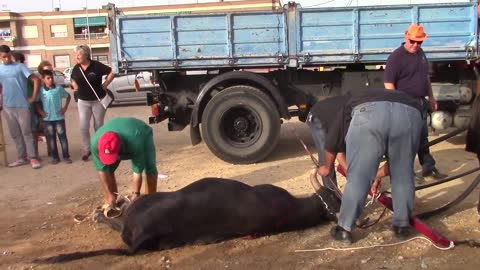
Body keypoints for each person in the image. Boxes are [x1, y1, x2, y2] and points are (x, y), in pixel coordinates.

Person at [317, 88, 423, 243]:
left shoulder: (350, 104)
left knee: (359, 175)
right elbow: (406, 157)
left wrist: (326, 166)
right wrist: (379, 174)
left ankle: (344, 229)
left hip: (369, 112)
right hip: (411, 113)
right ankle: (402, 226)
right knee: (403, 173)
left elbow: (333, 141)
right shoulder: (409, 100)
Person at [384, 24, 446, 181]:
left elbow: (426, 78)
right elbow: (389, 84)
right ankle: (406, 173)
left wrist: (431, 97)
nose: (415, 45)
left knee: (422, 136)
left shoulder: (420, 54)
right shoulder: (396, 57)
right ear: (406, 37)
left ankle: (428, 168)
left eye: (419, 42)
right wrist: (398, 105)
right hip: (404, 104)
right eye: (413, 41)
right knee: (407, 140)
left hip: (420, 102)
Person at [91, 117, 158, 217]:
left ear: (120, 147)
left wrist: (136, 194)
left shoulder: (135, 142)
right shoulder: (95, 143)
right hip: (122, 140)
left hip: (141, 133)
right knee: (108, 169)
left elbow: (137, 172)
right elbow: (102, 171)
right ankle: (112, 201)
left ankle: (151, 202)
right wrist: (109, 195)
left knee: (150, 166)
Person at [0, 45, 42, 169]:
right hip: (8, 106)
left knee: (27, 132)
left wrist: (33, 97)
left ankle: (33, 157)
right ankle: (21, 157)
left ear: (10, 54)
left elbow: (36, 80)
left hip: (22, 105)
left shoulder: (20, 67)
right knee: (15, 133)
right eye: (4, 57)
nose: (6, 59)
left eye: (8, 56)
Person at [70, 45, 114, 161]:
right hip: (83, 101)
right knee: (83, 126)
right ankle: (87, 149)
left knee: (98, 125)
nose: (76, 57)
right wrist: (74, 85)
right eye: (75, 55)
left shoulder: (96, 66)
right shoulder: (76, 68)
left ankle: (100, 148)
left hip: (98, 101)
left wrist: (105, 84)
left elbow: (112, 71)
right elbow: (73, 79)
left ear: (86, 55)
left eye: (79, 54)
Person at [307, 95, 349, 191]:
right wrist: (327, 167)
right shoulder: (348, 119)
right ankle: (332, 195)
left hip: (334, 115)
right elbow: (334, 148)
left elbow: (341, 149)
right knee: (326, 159)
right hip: (318, 116)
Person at [36, 70, 72, 164]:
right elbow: (36, 102)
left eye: (51, 77)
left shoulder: (58, 88)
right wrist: (41, 112)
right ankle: (55, 157)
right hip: (47, 119)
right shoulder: (41, 91)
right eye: (48, 78)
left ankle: (66, 156)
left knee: (62, 137)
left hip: (59, 118)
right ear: (43, 79)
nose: (50, 80)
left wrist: (65, 108)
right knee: (51, 138)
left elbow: (68, 96)